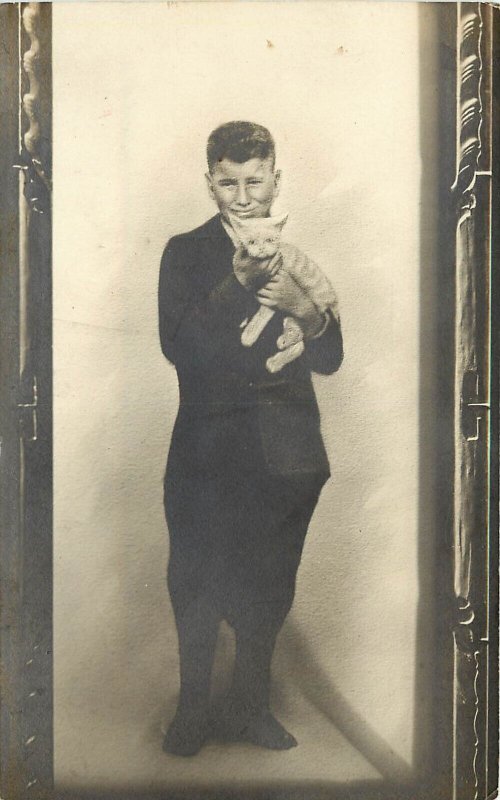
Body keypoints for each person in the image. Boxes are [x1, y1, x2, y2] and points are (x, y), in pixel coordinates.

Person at [158, 120, 343, 757]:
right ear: (210, 183)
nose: (243, 196)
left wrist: (307, 309)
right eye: (229, 182)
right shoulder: (183, 252)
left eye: (255, 181)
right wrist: (236, 282)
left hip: (286, 450)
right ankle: (192, 713)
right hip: (209, 450)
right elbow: (178, 347)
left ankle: (252, 710)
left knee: (270, 582)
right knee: (196, 579)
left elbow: (331, 356)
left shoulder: (292, 254)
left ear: (275, 181)